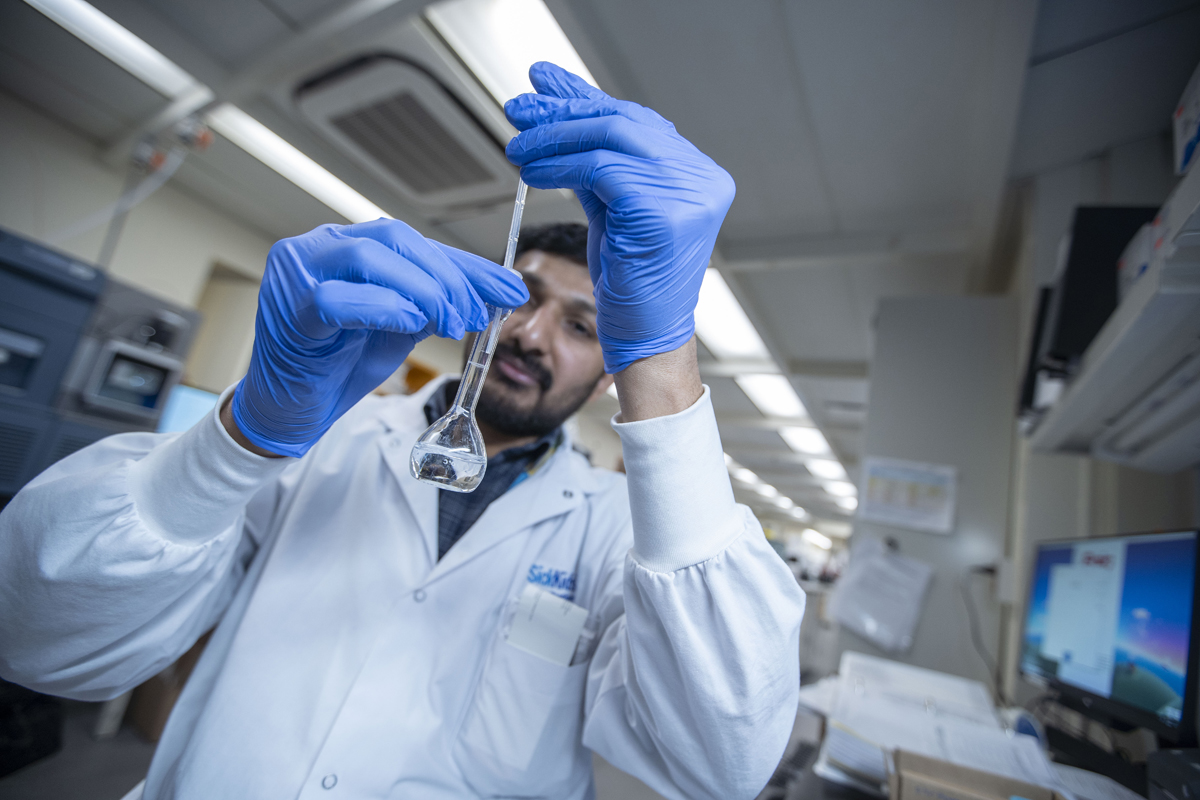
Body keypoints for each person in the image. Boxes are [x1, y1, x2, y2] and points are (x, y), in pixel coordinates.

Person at [0, 62, 806, 800]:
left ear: (607, 373)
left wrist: (662, 360)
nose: (530, 336)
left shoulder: (617, 531)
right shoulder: (323, 443)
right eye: (521, 297)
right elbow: (40, 643)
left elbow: (720, 763)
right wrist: (242, 436)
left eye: (584, 327)